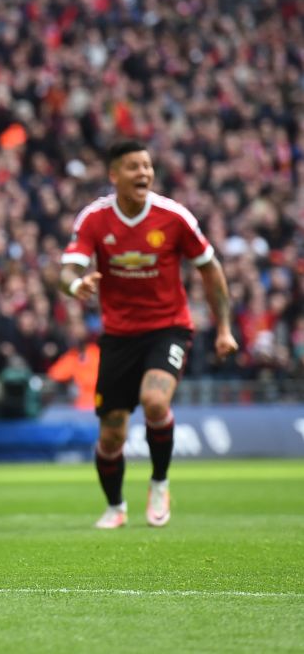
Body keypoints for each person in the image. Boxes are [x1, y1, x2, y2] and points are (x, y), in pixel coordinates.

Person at [60, 140, 238, 529]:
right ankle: (116, 507)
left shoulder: (174, 217)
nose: (143, 173)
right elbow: (66, 269)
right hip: (119, 336)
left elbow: (210, 268)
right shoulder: (94, 218)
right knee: (111, 435)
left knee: (155, 402)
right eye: (132, 167)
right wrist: (76, 286)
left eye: (147, 166)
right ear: (114, 175)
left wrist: (224, 328)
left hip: (167, 328)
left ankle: (159, 483)